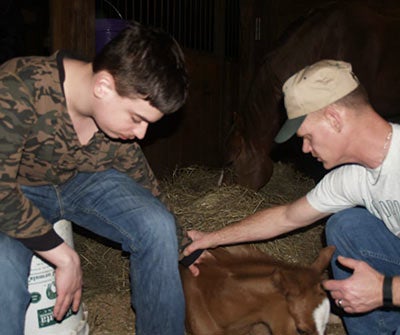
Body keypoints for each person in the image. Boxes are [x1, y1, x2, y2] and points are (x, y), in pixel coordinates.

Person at [184, 60, 400, 335]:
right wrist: (213, 239)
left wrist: (383, 291)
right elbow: (287, 217)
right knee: (346, 225)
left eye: (307, 136)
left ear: (334, 118)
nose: (306, 148)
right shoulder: (352, 178)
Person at [0, 21, 189, 334]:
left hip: (81, 182)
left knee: (157, 225)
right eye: (137, 119)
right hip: (19, 190)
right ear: (103, 87)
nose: (142, 133)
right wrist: (63, 257)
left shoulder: (115, 128)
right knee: (3, 264)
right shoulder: (18, 85)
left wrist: (183, 244)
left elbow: (143, 182)